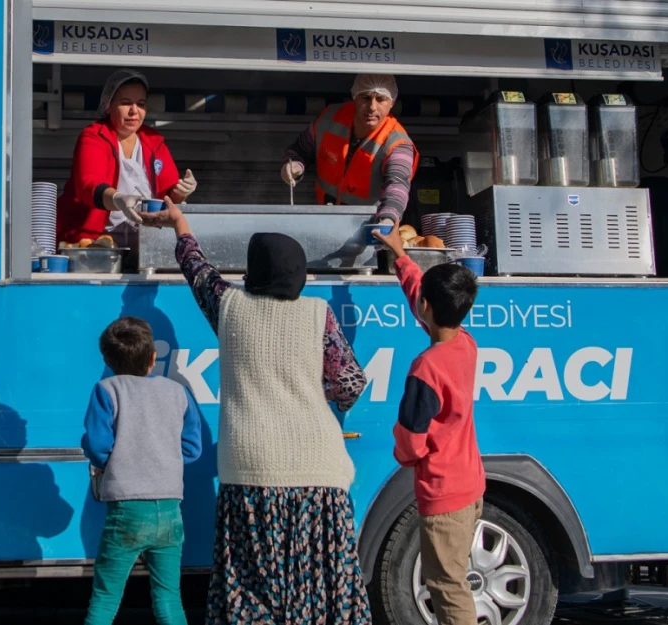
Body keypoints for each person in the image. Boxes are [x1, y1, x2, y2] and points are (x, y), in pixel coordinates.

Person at [140, 199, 372, 625]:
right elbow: (351, 382)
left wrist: (178, 221)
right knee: (317, 583)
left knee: (251, 584)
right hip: (317, 468)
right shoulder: (318, 314)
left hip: (251, 470)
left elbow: (196, 268)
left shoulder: (229, 307)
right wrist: (316, 390)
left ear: (253, 272)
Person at [372, 226, 485, 625]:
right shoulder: (464, 344)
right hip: (469, 487)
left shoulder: (426, 368)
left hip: (443, 495)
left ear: (425, 308)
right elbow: (426, 305)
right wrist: (401, 256)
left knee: (446, 586)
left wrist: (407, 456)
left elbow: (410, 439)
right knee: (452, 577)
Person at [80, 316, 204, 625]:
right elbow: (192, 448)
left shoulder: (107, 389)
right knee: (169, 598)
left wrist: (118, 461)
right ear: (153, 357)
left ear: (108, 360)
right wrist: (160, 460)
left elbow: (97, 445)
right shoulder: (177, 392)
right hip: (170, 510)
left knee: (106, 598)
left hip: (126, 511)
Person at [57, 69, 198, 246]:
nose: (134, 111)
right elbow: (88, 186)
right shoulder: (93, 136)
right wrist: (118, 199)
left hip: (147, 242)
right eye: (125, 103)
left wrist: (182, 192)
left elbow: (169, 196)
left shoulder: (154, 141)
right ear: (109, 104)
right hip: (94, 241)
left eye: (141, 104)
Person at [281, 74, 419, 227]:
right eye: (365, 98)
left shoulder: (398, 144)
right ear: (355, 97)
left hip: (368, 229)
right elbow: (301, 149)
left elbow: (397, 187)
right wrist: (294, 165)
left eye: (380, 99)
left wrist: (388, 220)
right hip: (324, 221)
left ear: (391, 102)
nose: (372, 107)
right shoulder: (329, 118)